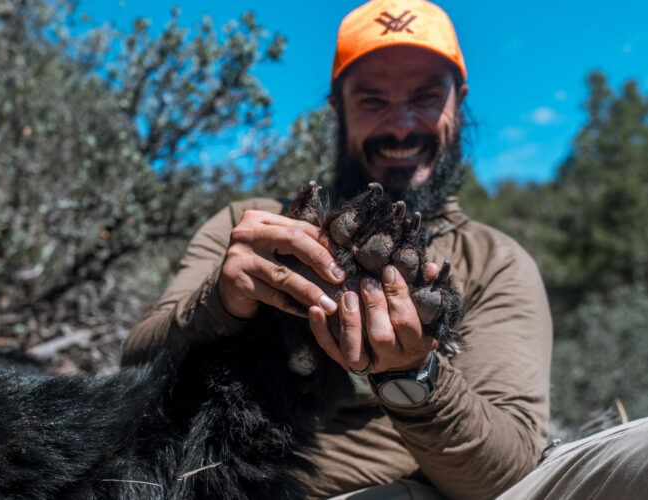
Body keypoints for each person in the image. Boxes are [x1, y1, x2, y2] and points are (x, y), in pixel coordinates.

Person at [122, 0, 648, 498]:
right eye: (372, 100)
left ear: (458, 103)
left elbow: (506, 476)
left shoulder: (495, 261)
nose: (400, 125)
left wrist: (411, 374)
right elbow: (135, 362)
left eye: (425, 98)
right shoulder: (251, 227)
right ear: (338, 108)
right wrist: (220, 300)